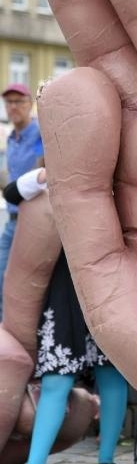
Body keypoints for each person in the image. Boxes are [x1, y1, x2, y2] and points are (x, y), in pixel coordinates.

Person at [3, 169, 128, 464]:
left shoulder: (117, 176)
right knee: (55, 380)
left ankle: (106, 462)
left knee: (112, 374)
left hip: (110, 286)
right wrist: (47, 174)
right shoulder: (57, 174)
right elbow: (12, 193)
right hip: (65, 290)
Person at [0, 84, 44, 319]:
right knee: (2, 277)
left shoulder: (39, 134)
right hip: (11, 220)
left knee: (27, 284)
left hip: (33, 222)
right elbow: (7, 176)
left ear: (30, 104)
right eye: (9, 102)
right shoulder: (11, 138)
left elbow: (42, 171)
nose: (13, 107)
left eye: (19, 101)